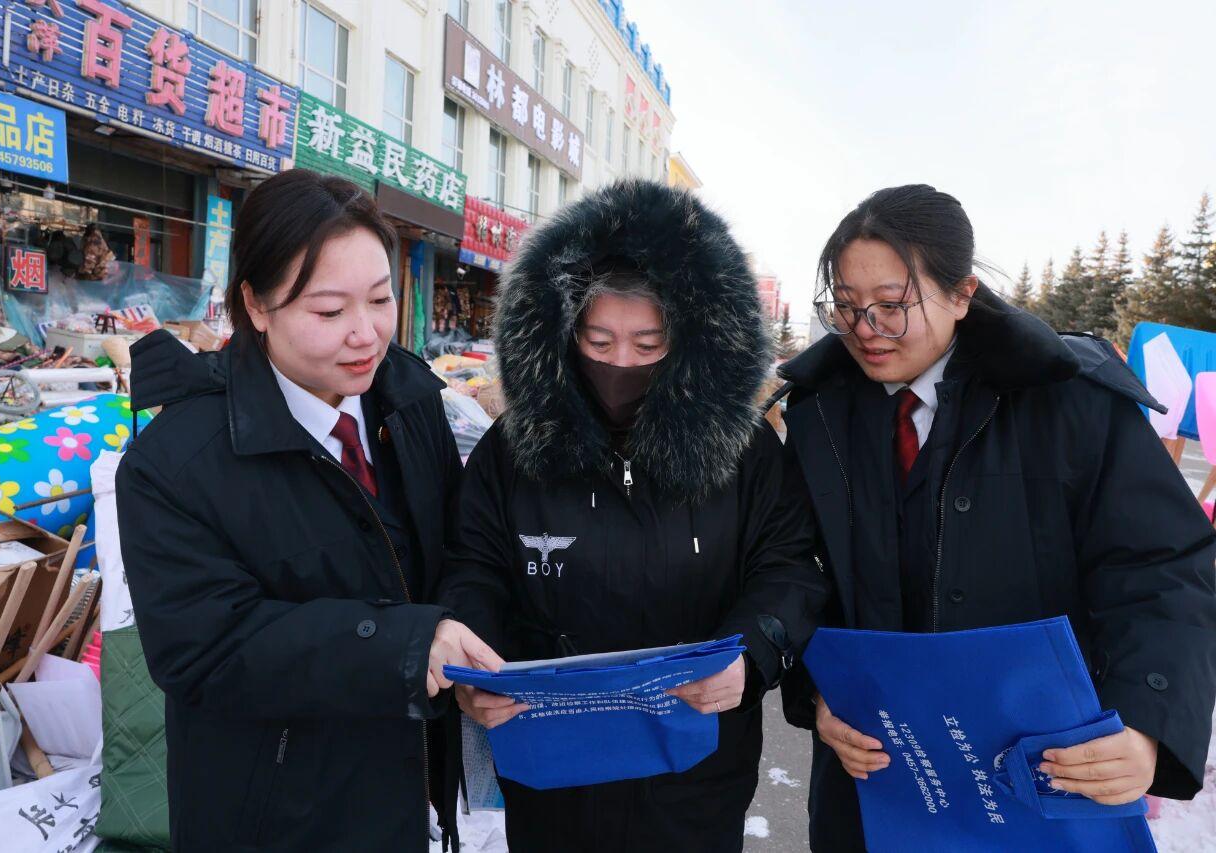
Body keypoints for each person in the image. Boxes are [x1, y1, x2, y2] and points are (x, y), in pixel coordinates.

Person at [776, 184, 1216, 851]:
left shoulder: (1069, 401)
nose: (865, 329)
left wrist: (1147, 719)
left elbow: (1163, 568)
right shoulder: (818, 414)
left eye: (892, 305)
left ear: (962, 294)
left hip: (1039, 773)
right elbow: (792, 571)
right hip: (876, 779)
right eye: (845, 305)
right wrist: (817, 689)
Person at [438, 179, 829, 852]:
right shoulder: (514, 448)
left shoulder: (744, 451)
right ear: (563, 336)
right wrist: (475, 662)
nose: (621, 363)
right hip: (554, 772)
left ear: (691, 341)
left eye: (648, 345)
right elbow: (473, 565)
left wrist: (751, 653)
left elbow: (788, 569)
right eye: (599, 341)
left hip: (695, 773)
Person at [117, 170, 499, 852]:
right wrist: (406, 645)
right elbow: (204, 649)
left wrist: (465, 638)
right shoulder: (173, 463)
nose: (366, 334)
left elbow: (458, 549)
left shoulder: (410, 403)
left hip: (402, 788)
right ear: (256, 304)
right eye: (329, 312)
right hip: (271, 815)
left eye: (380, 299)